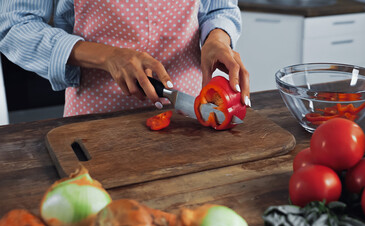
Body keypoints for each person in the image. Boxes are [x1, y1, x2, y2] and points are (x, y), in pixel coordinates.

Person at [0, 0, 250, 117]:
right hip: (96, 121)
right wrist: (109, 56)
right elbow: (14, 26)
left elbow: (220, 8)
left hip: (189, 116)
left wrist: (217, 39)